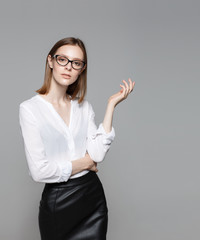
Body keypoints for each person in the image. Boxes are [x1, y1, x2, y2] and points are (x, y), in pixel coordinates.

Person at [19, 37, 135, 240]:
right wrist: (85, 162)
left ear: (82, 69)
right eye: (62, 59)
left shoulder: (84, 107)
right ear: (50, 61)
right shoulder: (30, 109)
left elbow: (97, 153)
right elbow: (39, 172)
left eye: (76, 63)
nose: (68, 67)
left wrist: (110, 106)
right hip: (59, 201)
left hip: (91, 198)